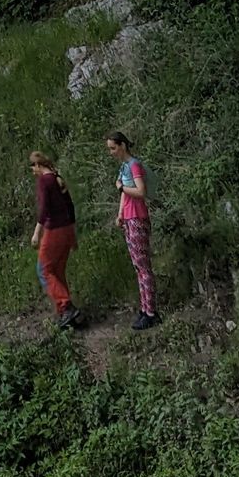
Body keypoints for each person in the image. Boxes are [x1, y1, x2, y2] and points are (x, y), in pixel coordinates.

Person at [107, 131, 158, 329]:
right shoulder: (124, 167)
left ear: (122, 146)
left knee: (143, 268)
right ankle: (145, 308)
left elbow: (140, 191)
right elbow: (125, 194)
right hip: (129, 218)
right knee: (138, 267)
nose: (111, 152)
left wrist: (121, 188)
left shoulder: (134, 165)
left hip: (137, 218)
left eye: (113, 148)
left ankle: (151, 312)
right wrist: (120, 213)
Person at [28, 149, 81, 328]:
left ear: (38, 165)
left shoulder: (45, 181)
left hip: (54, 231)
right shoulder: (58, 178)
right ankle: (66, 316)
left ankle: (66, 307)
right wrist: (72, 234)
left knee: (43, 269)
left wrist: (36, 233)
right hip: (66, 229)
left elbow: (44, 209)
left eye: (32, 167)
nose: (32, 171)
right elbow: (70, 205)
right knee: (57, 271)